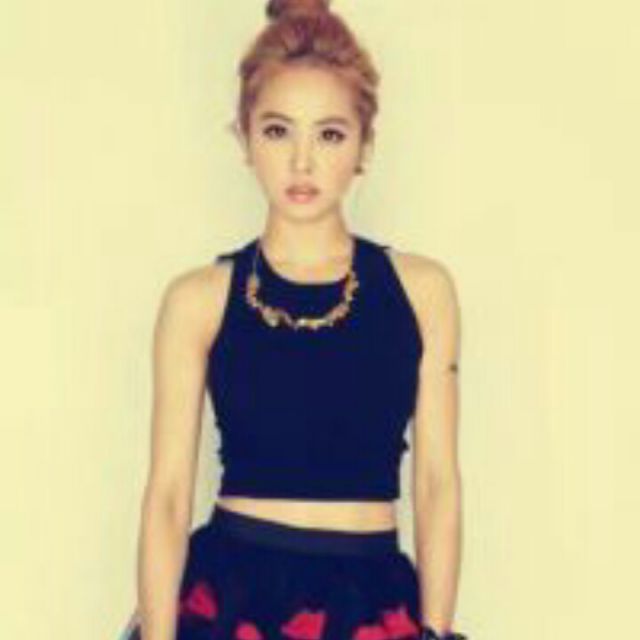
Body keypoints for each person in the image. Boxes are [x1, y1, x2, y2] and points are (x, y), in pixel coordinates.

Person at [121, 1, 467, 639]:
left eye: (329, 134)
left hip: (370, 603)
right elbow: (166, 496)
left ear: (364, 146)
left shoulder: (423, 292)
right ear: (245, 139)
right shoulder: (197, 300)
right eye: (278, 131)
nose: (302, 162)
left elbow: (438, 484)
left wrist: (436, 632)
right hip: (231, 600)